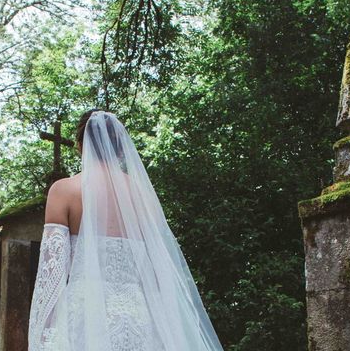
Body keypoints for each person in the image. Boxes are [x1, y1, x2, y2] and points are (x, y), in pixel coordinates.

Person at [28, 109, 223, 350]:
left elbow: (51, 276)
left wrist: (44, 339)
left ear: (80, 145)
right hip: (138, 317)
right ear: (121, 149)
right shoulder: (144, 197)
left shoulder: (64, 191)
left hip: (85, 318)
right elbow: (157, 271)